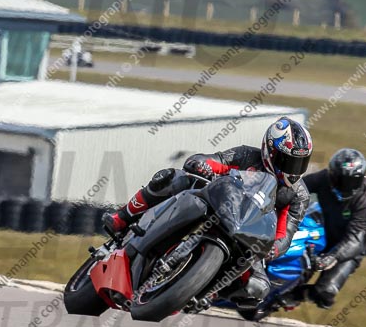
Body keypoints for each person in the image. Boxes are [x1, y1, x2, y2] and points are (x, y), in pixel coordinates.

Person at [102, 116, 313, 308]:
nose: (293, 170)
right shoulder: (247, 155)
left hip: (249, 235)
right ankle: (123, 217)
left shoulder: (298, 194)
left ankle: (204, 293)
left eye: (300, 163)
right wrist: (202, 165)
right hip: (216, 205)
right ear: (270, 151)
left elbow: (286, 233)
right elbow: (209, 160)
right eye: (288, 161)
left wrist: (272, 249)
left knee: (257, 288)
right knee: (173, 177)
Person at [296, 148, 366, 310]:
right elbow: (298, 187)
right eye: (339, 179)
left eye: (350, 182)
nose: (343, 186)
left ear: (361, 179)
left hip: (347, 250)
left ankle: (298, 295)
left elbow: (355, 240)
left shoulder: (365, 202)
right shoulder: (323, 178)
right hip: (322, 235)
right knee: (293, 264)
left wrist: (332, 257)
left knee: (325, 293)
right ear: (332, 174)